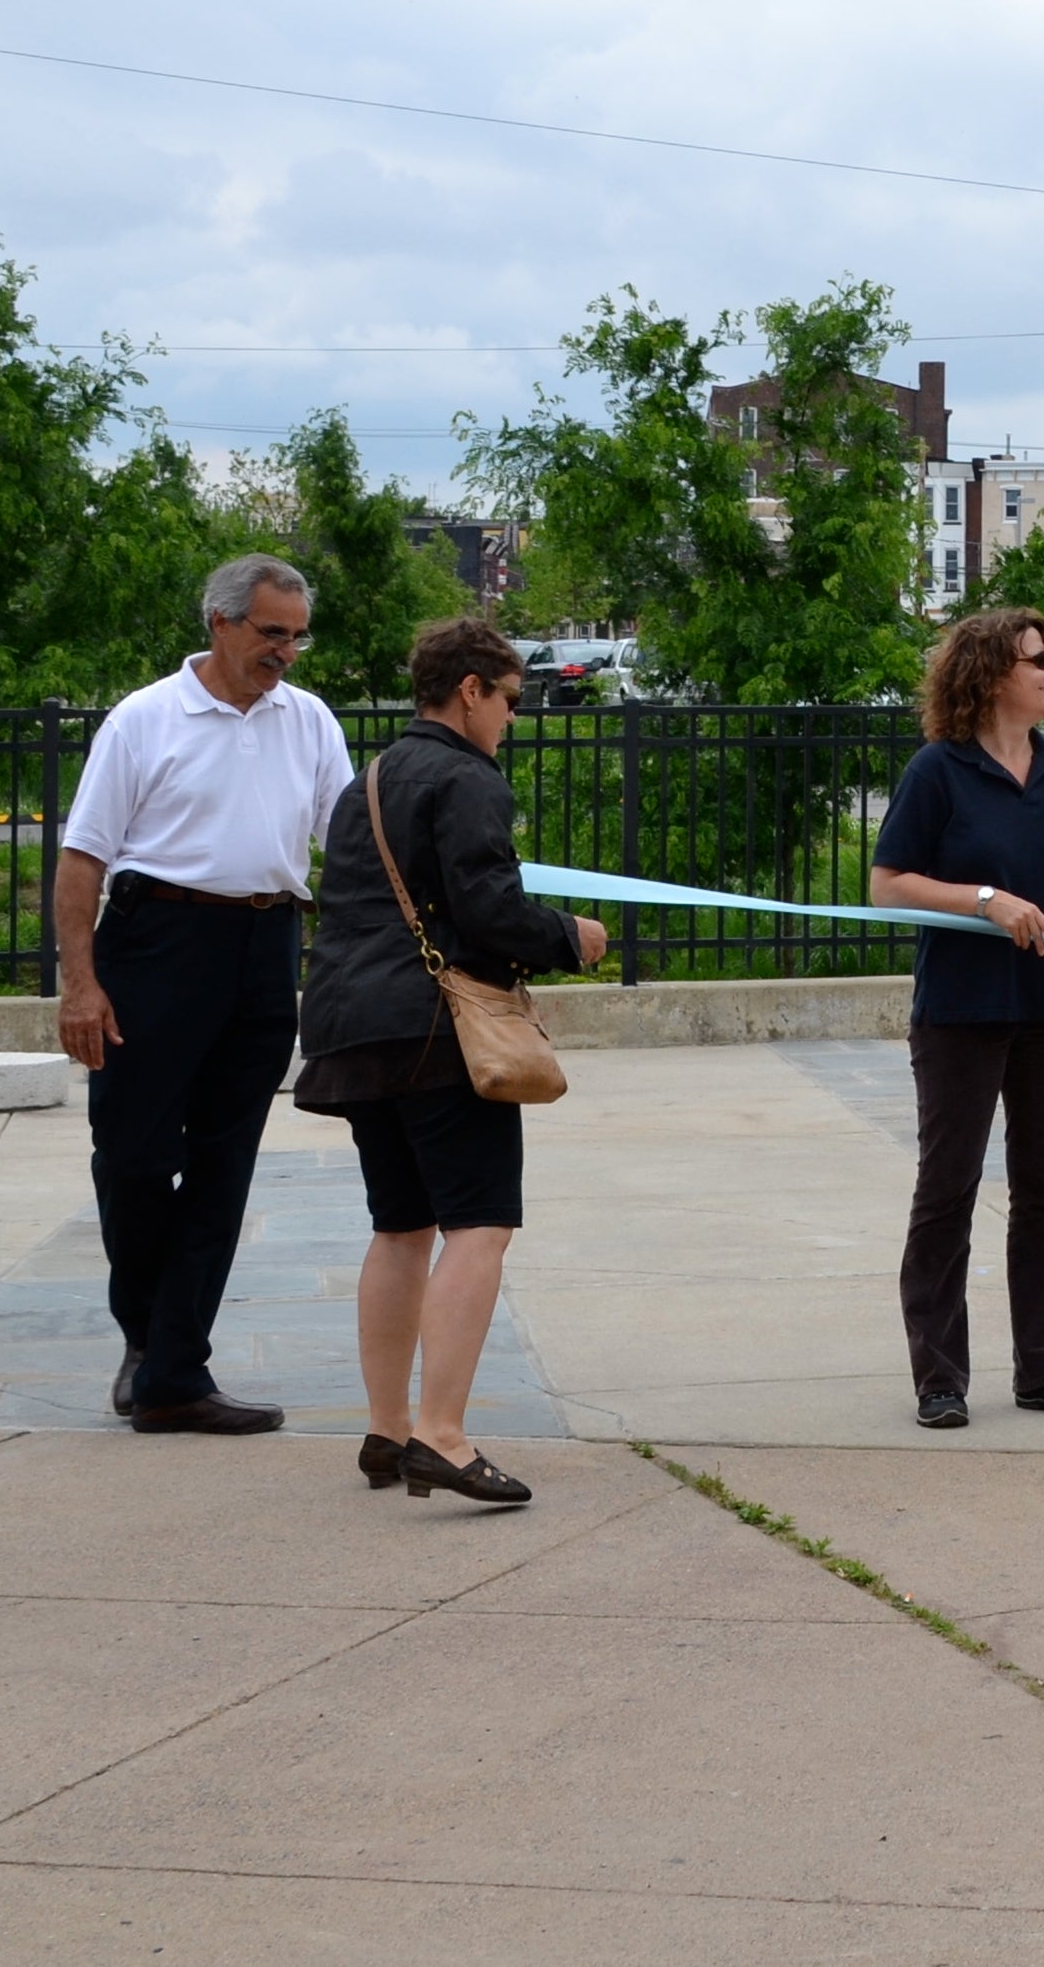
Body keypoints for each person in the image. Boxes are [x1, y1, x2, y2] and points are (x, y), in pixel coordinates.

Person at [295, 618, 604, 1505]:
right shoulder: (467, 777)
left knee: (399, 1227)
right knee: (479, 1223)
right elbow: (488, 911)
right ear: (470, 689)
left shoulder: (374, 775)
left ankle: (387, 1431)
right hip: (437, 1031)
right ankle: (444, 1435)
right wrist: (570, 939)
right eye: (509, 699)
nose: (511, 717)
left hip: (349, 1024)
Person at [55, 554, 356, 1435]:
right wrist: (82, 985)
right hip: (157, 946)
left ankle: (175, 1372)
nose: (287, 654)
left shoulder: (309, 721)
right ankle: (146, 1342)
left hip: (264, 947)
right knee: (134, 1158)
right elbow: (83, 861)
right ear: (219, 623)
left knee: (225, 1167)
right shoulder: (145, 719)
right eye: (272, 633)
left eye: (298, 636)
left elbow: (348, 843)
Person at [868, 606, 1044, 1431]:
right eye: (1036, 660)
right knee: (948, 1188)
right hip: (962, 1009)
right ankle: (939, 1378)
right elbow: (889, 883)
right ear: (988, 677)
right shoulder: (938, 771)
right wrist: (985, 900)